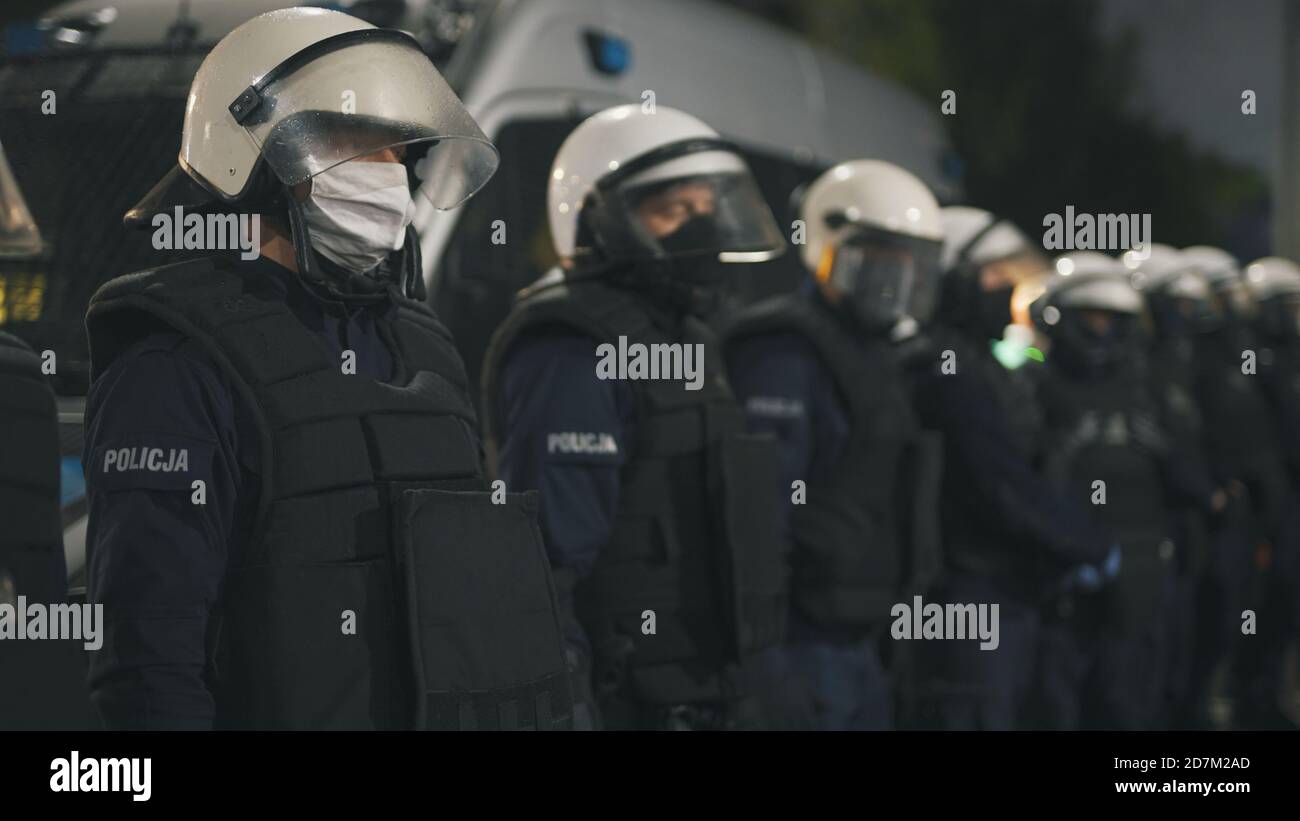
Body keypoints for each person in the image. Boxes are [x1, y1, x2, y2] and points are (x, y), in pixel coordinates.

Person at [82, 7, 570, 730]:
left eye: (400, 152)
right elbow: (150, 665)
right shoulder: (176, 366)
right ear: (251, 157)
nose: (390, 177)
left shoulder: (424, 346)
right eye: (354, 141)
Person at [481, 104, 790, 730]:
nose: (699, 228)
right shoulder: (573, 344)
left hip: (711, 689)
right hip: (630, 702)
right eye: (675, 211)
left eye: (708, 209)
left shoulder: (690, 337)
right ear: (598, 219)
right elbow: (548, 565)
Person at [719, 159, 946, 729]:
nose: (895, 280)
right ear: (828, 244)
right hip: (801, 643)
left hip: (859, 641)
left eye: (908, 263)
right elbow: (758, 513)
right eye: (879, 258)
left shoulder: (875, 352)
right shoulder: (784, 350)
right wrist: (766, 661)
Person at [907, 206, 1114, 730]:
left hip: (1005, 584)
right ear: (953, 278)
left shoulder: (986, 367)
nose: (1007, 291)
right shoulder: (945, 366)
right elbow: (1002, 486)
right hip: (969, 588)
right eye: (996, 276)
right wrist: (1084, 544)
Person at [1029, 253, 1215, 729]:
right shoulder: (1033, 384)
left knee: (1132, 700)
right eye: (1090, 317)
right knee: (1057, 703)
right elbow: (1015, 485)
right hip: (1063, 572)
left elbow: (1193, 477)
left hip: (1142, 569)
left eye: (1111, 319)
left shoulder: (1146, 389)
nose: (1100, 331)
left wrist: (1165, 450)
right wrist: (1062, 454)